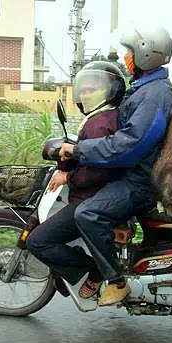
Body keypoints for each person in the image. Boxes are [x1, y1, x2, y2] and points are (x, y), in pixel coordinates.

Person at [59, 25, 172, 306]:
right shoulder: (145, 89)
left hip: (139, 181)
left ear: (146, 55)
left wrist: (80, 151)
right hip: (132, 174)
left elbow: (131, 144)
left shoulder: (155, 94)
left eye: (130, 52)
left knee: (87, 213)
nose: (126, 58)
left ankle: (114, 280)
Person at [26, 61, 126, 299]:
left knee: (38, 241)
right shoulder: (107, 118)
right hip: (100, 196)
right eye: (84, 90)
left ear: (110, 91)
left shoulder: (100, 123)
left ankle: (93, 270)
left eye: (92, 89)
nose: (85, 94)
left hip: (89, 199)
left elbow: (97, 172)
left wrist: (67, 176)